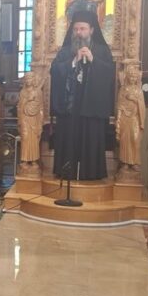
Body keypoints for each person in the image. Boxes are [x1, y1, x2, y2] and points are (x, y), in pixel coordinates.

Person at [50, 10, 115, 181]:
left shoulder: (102, 51)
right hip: (70, 107)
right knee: (68, 138)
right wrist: (73, 62)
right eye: (76, 29)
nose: (79, 32)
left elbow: (110, 74)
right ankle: (67, 173)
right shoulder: (65, 51)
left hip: (91, 106)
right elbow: (55, 71)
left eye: (83, 29)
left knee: (91, 138)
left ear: (91, 30)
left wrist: (93, 60)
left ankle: (90, 174)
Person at [116, 64, 145, 172]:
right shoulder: (123, 89)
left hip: (135, 118)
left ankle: (134, 162)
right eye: (131, 76)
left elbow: (142, 105)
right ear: (127, 77)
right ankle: (125, 162)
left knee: (135, 139)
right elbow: (119, 105)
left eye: (134, 77)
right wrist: (118, 120)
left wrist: (134, 99)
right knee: (125, 140)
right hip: (124, 117)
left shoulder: (139, 91)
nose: (133, 78)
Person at [18, 70, 43, 167]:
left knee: (34, 139)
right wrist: (28, 99)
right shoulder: (23, 92)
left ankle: (34, 160)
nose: (28, 80)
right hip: (24, 118)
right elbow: (20, 106)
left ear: (33, 80)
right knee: (25, 137)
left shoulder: (38, 92)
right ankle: (24, 160)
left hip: (35, 119)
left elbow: (41, 108)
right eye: (26, 78)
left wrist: (40, 123)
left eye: (30, 78)